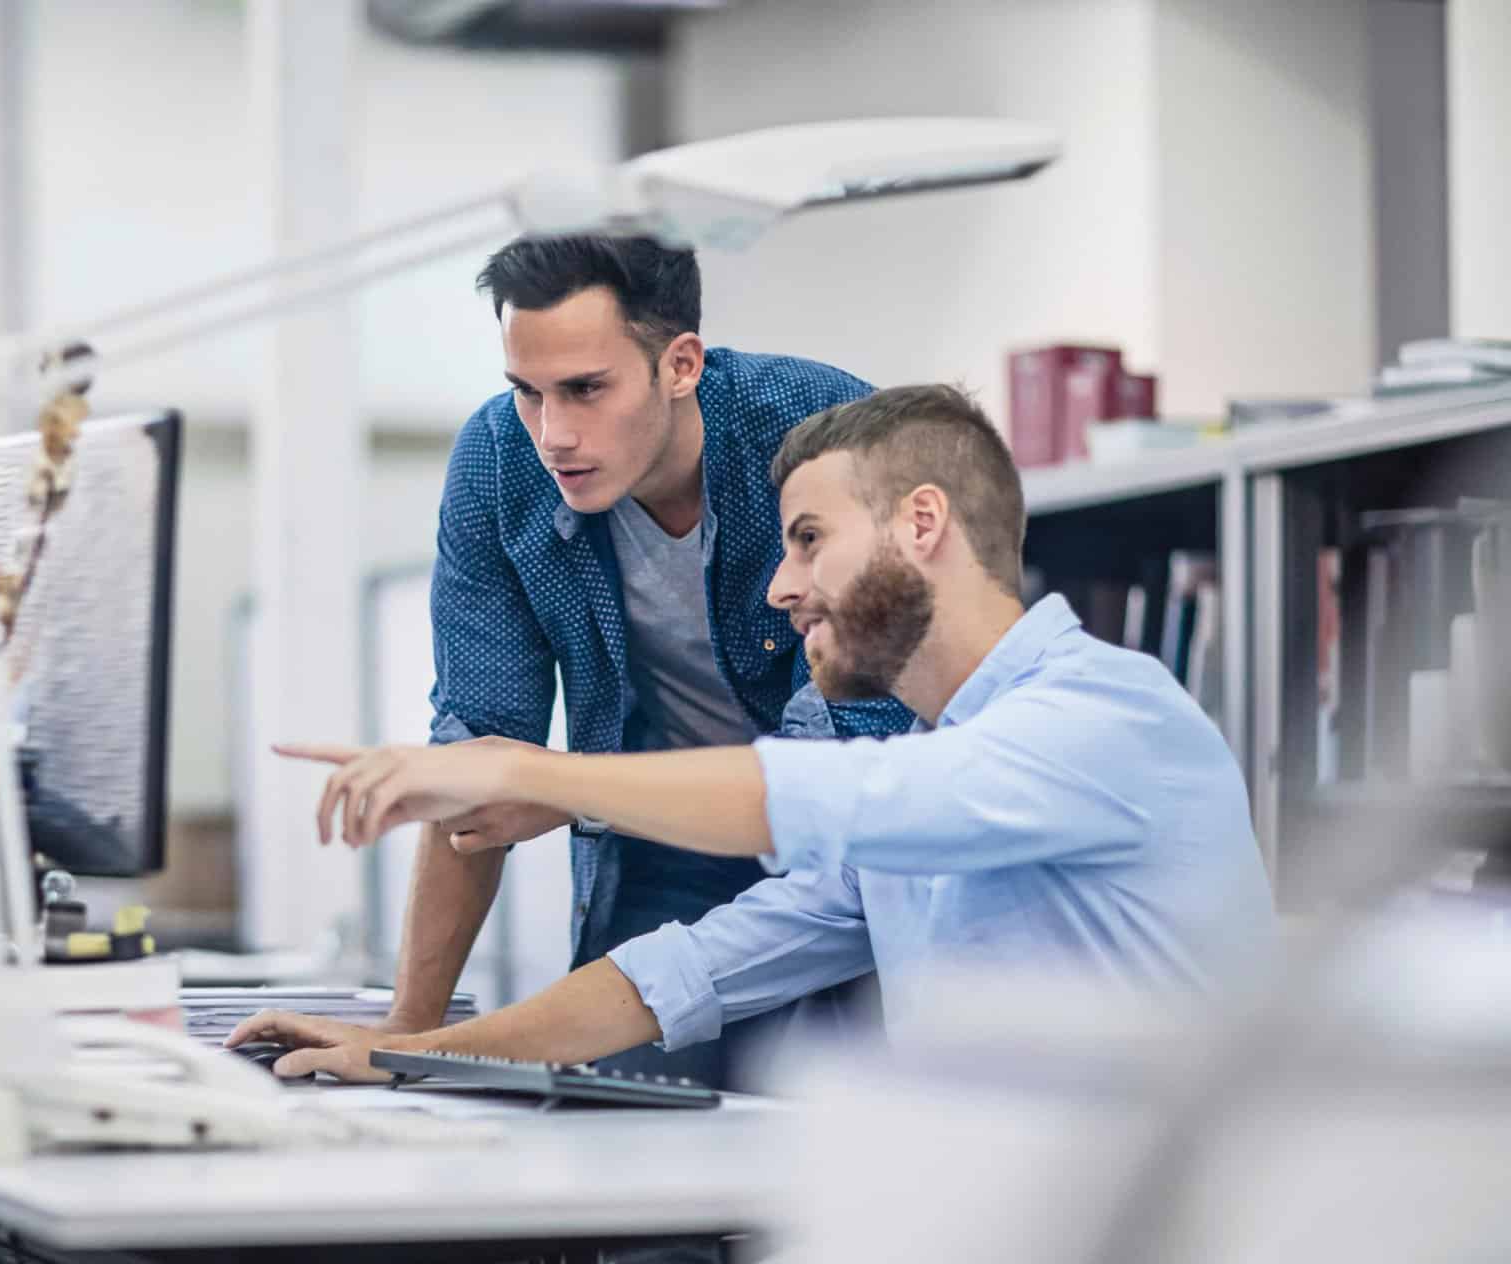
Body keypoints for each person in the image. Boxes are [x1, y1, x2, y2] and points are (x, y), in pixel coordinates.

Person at [234, 384, 1275, 1078]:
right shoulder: (932, 779)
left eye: (808, 540)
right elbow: (686, 971)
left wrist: (527, 770)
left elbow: (821, 796)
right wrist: (415, 1052)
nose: (781, 586)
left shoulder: (1105, 717)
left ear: (921, 524)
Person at [386, 233, 913, 1087]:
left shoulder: (823, 437)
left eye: (587, 390)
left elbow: (842, 776)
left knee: (837, 1119)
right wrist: (405, 1037)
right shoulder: (497, 462)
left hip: (849, 845)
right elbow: (479, 756)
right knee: (624, 1110)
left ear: (681, 364)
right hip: (653, 839)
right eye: (528, 393)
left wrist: (563, 791)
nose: (553, 434)